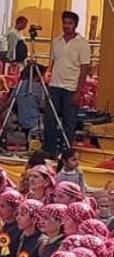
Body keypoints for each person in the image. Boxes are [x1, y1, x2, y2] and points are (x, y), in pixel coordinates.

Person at [45, 10, 91, 155]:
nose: (66, 26)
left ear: (75, 25)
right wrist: (48, 82)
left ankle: (65, 153)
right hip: (54, 86)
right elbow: (54, 63)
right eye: (64, 23)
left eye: (69, 23)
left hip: (71, 88)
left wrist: (78, 91)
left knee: (69, 123)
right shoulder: (56, 41)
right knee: (50, 121)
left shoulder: (82, 44)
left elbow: (84, 69)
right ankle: (49, 151)